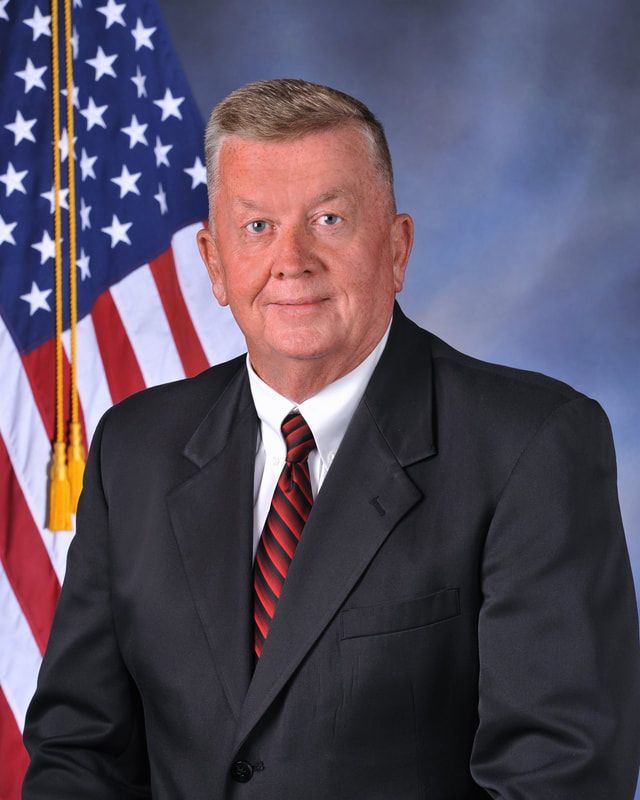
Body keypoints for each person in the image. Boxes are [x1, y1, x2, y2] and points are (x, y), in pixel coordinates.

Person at [22, 78, 640, 799]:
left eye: (330, 219)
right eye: (256, 227)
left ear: (398, 246)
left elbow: (561, 778)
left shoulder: (531, 447)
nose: (292, 260)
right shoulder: (135, 450)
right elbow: (79, 753)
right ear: (215, 264)